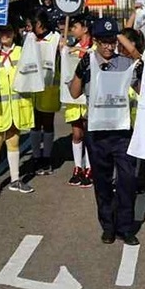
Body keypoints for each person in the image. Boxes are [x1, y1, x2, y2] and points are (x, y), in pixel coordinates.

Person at [69, 18, 143, 246]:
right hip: (97, 132)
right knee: (102, 183)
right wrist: (80, 74)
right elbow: (73, 93)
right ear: (96, 41)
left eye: (112, 42)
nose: (109, 47)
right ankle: (108, 226)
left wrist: (121, 37)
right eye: (104, 42)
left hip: (121, 132)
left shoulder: (124, 62)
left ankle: (126, 227)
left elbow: (140, 85)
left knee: (127, 181)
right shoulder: (88, 62)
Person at [0, 25, 36, 198]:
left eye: (9, 32)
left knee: (13, 141)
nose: (5, 35)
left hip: (17, 106)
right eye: (1, 32)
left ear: (14, 33)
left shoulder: (22, 51)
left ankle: (15, 179)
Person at [31, 11, 62, 176]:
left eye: (33, 24)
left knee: (47, 123)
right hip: (33, 89)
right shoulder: (29, 38)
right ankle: (36, 157)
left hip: (49, 88)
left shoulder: (56, 38)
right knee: (34, 124)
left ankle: (47, 157)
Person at [64, 15, 93, 188]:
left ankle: (90, 167)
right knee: (77, 133)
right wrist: (64, 51)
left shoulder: (95, 48)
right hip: (74, 97)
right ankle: (77, 167)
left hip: (89, 96)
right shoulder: (70, 48)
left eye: (75, 27)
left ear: (85, 28)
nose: (72, 31)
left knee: (88, 133)